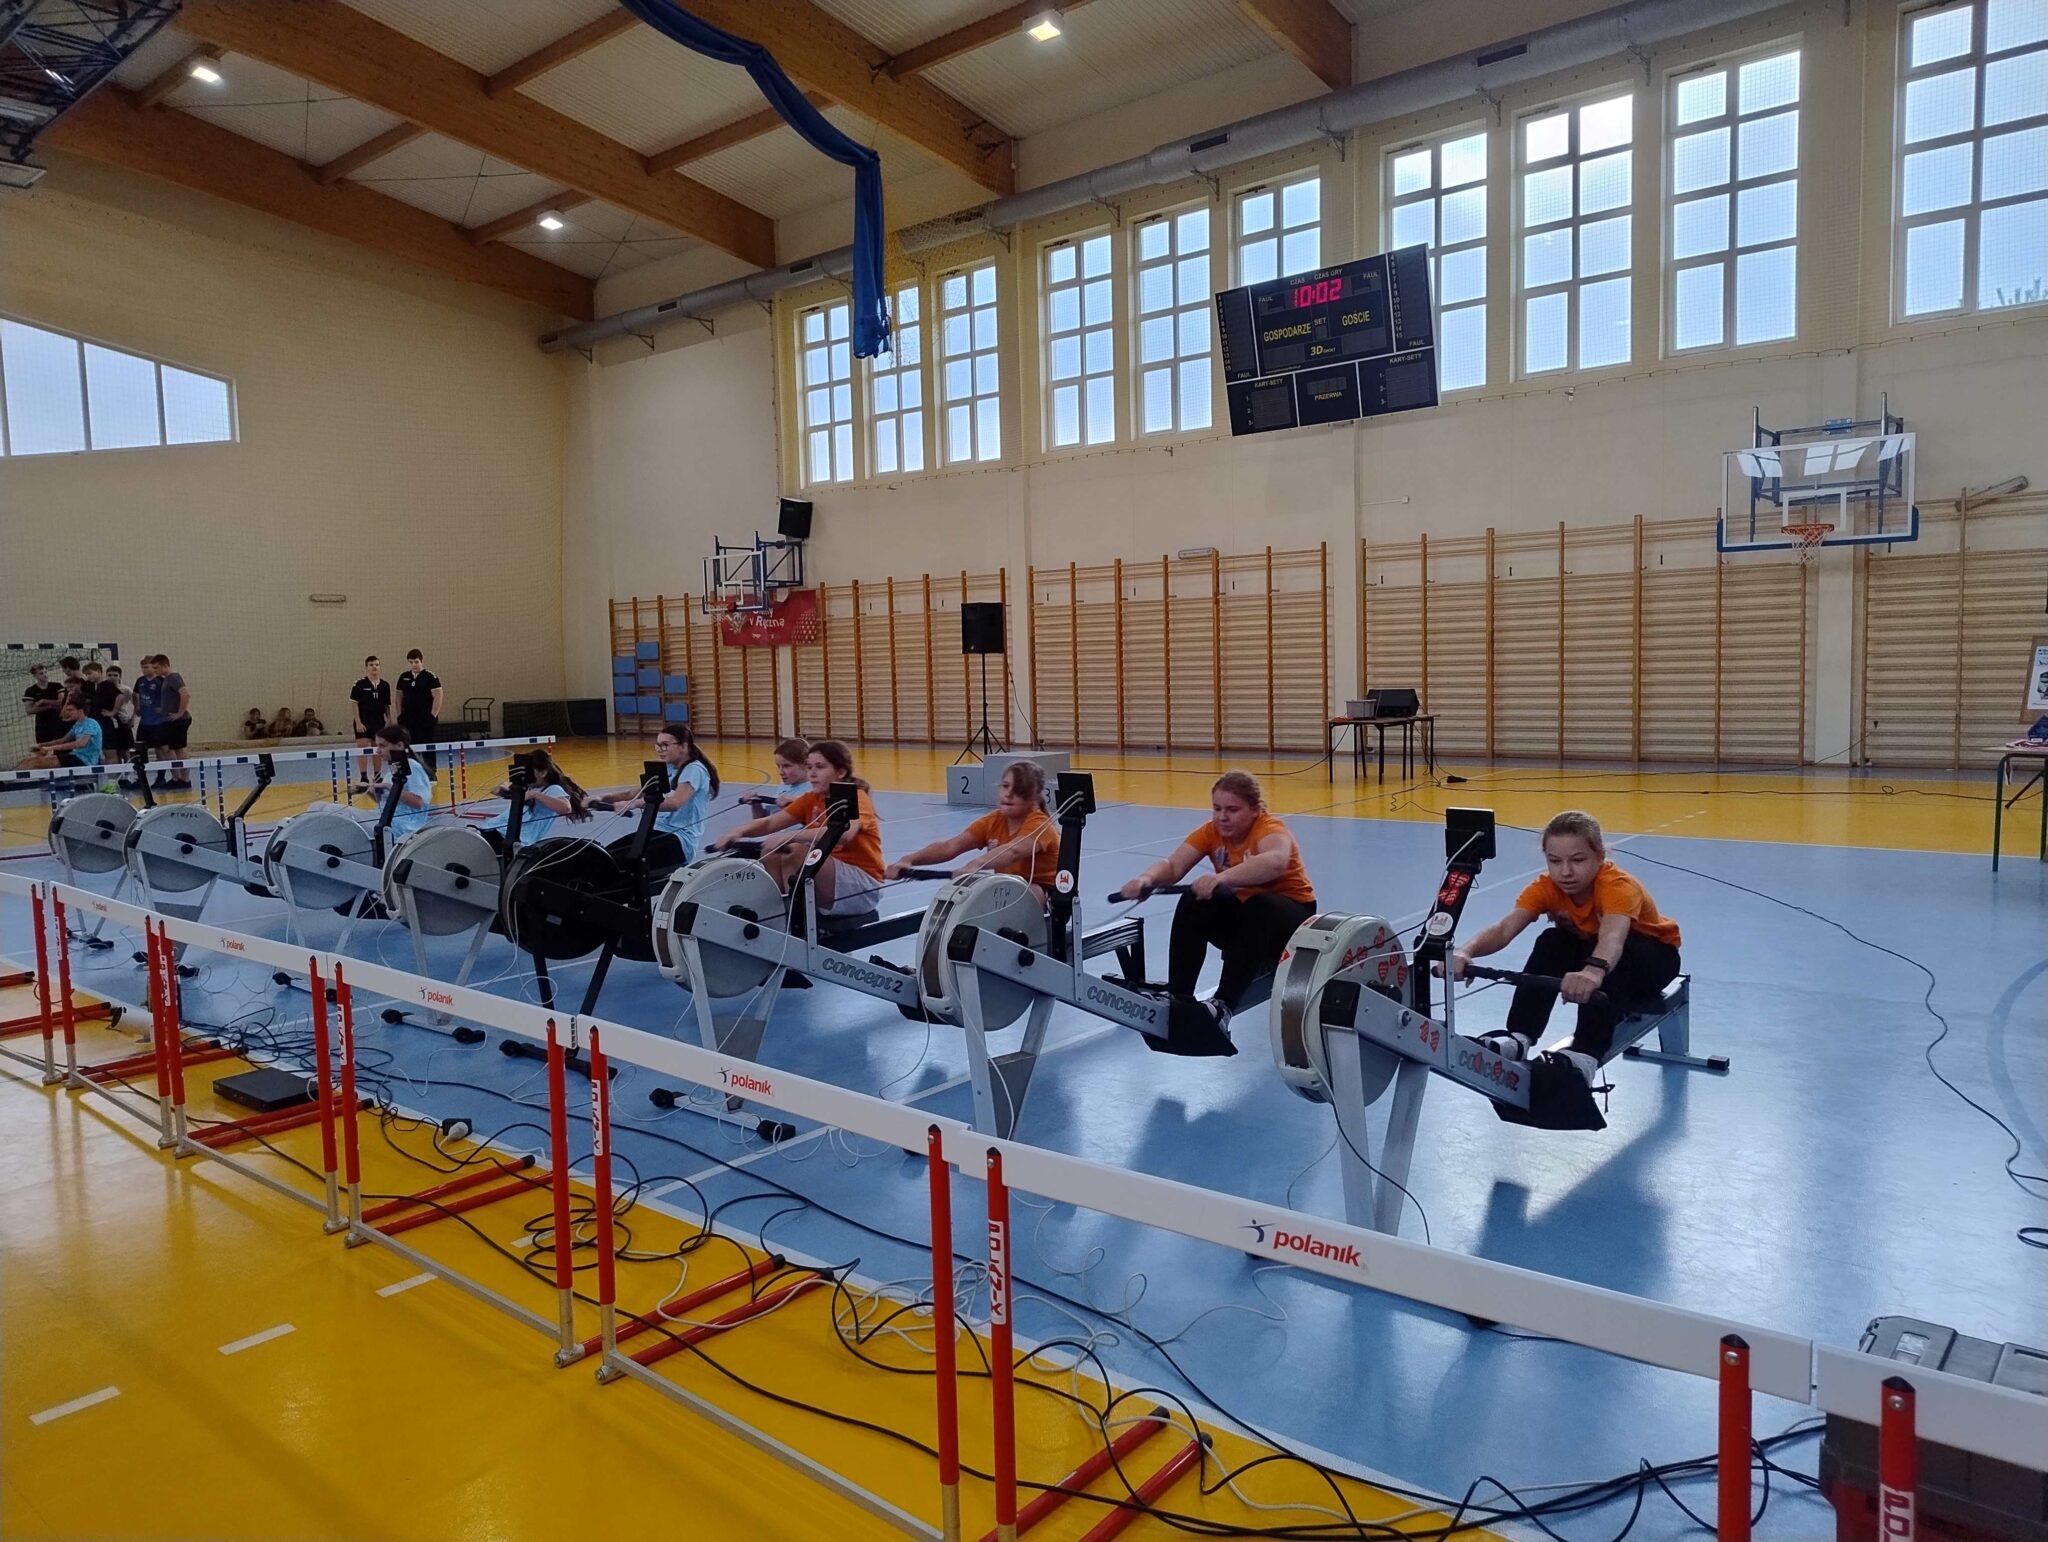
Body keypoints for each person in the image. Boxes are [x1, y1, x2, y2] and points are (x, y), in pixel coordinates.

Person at [1447, 810, 1683, 1084]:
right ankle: (1519, 1037)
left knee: (1610, 959)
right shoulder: (1546, 887)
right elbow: (1503, 929)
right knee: (1552, 941)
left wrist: (1592, 972)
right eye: (1555, 861)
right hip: (1599, 951)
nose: (1566, 872)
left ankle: (1586, 1052)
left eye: (1578, 860)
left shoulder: (1617, 886)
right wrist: (1465, 952)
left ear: (1600, 856)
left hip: (1652, 957)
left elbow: (1613, 938)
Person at [1118, 770, 1316, 1012]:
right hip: (1248, 923)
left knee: (1259, 904)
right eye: (1217, 808)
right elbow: (1173, 865)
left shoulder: (1269, 829)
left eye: (1232, 810)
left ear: (1255, 809)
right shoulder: (1211, 832)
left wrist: (1220, 878)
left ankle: (1223, 1005)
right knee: (1195, 898)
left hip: (1292, 922)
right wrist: (1146, 879)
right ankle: (1179, 996)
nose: (1222, 817)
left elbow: (1275, 861)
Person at [711, 738, 882, 918]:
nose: (812, 774)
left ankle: (797, 916)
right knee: (772, 851)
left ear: (840, 772)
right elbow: (769, 823)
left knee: (796, 851)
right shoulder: (812, 799)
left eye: (819, 767)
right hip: (831, 875)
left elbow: (845, 833)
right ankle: (781, 912)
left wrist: (789, 836)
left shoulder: (855, 796)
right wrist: (737, 832)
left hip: (863, 886)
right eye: (809, 767)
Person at [886, 759, 1060, 903]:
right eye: (1005, 786)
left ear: (1034, 796)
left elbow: (1013, 851)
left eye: (1019, 789)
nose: (1008, 794)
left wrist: (976, 864)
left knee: (1028, 891)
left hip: (1046, 892)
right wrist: (908, 860)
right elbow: (950, 846)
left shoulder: (1040, 824)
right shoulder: (993, 820)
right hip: (1007, 889)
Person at [605, 723, 719, 869]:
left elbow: (675, 803)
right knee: (604, 856)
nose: (660, 750)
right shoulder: (666, 767)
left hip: (679, 840)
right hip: (655, 833)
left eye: (665, 745)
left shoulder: (694, 769)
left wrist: (636, 803)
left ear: (683, 747)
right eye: (658, 745)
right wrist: (600, 799)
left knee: (618, 865)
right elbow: (632, 794)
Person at [479, 748, 591, 852]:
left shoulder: (552, 789)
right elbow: (495, 791)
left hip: (511, 838)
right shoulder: (529, 787)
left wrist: (535, 795)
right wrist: (506, 789)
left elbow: (565, 808)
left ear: (542, 773)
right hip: (493, 830)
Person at [350, 725, 434, 840]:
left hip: (403, 826)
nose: (378, 751)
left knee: (345, 816)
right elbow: (388, 801)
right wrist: (369, 790)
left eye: (382, 746)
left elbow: (418, 802)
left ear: (399, 745)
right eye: (377, 746)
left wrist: (389, 786)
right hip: (387, 820)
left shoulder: (412, 767)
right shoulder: (393, 769)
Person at [133, 655, 192, 789]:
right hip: (169, 719)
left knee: (179, 749)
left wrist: (180, 713)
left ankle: (184, 780)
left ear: (164, 665)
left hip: (179, 719)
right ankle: (178, 778)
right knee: (173, 749)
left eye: (156, 667)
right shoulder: (167, 679)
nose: (155, 670)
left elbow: (185, 694)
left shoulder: (173, 678)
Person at [16, 692, 104, 771]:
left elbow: (80, 744)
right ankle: (11, 778)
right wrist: (41, 745)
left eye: (70, 710)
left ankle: (10, 780)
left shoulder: (91, 723)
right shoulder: (78, 724)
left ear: (80, 711)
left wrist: (51, 748)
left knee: (34, 762)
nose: (67, 713)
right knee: (29, 759)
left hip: (85, 761)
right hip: (75, 756)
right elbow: (63, 740)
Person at [395, 648, 443, 776]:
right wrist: (399, 714)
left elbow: (438, 696)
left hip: (425, 718)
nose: (414, 665)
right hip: (408, 718)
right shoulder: (404, 677)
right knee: (409, 746)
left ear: (421, 661)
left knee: (427, 745)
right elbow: (398, 696)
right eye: (411, 662)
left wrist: (433, 716)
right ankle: (413, 773)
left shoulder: (430, 677)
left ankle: (431, 773)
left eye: (416, 662)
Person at [349, 656, 390, 785]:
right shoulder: (360, 684)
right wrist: (358, 722)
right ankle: (364, 776)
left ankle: (377, 776)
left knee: (378, 750)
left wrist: (389, 720)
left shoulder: (384, 685)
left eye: (377, 664)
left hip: (379, 722)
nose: (374, 667)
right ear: (366, 667)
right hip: (364, 722)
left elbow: (386, 706)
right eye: (371, 665)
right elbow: (354, 704)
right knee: (362, 749)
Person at [744, 737, 812, 814]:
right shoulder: (786, 784)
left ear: (805, 764)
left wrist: (797, 802)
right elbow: (766, 819)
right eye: (778, 766)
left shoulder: (814, 791)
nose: (780, 772)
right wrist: (756, 803)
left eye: (786, 766)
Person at [21, 664, 63, 748]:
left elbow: (61, 702)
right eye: (41, 673)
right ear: (35, 676)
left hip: (59, 721)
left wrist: (44, 701)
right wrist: (48, 707)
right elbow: (29, 710)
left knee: (61, 747)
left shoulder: (56, 686)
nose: (45, 675)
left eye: (45, 672)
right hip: (42, 725)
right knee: (44, 749)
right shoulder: (31, 691)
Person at [102, 665, 136, 761]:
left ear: (120, 677)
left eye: (115, 675)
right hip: (108, 722)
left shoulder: (126, 690)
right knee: (113, 750)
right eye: (110, 675)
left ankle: (128, 768)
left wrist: (133, 718)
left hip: (123, 721)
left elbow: (136, 703)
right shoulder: (102, 688)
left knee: (125, 749)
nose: (112, 677)